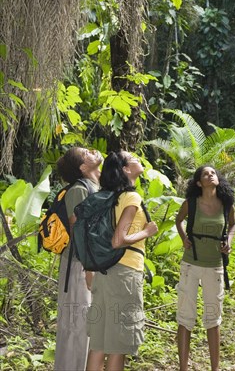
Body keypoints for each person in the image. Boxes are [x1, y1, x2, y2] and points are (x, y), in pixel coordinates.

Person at [86, 150, 158, 371]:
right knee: (118, 345)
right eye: (133, 158)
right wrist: (147, 232)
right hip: (124, 274)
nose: (138, 159)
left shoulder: (109, 197)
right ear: (126, 169)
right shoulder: (132, 197)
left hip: (104, 273)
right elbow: (119, 240)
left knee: (98, 344)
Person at [175, 165, 235, 371]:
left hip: (215, 266)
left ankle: (215, 368)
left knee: (213, 318)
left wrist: (230, 240)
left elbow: (232, 225)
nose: (211, 175)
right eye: (206, 174)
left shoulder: (226, 204)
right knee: (185, 317)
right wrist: (184, 238)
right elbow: (179, 220)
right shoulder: (191, 203)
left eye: (213, 173)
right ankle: (183, 367)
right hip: (191, 264)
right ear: (199, 183)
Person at [54, 147, 103, 371]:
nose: (93, 150)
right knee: (76, 326)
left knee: (88, 324)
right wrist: (89, 268)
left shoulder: (97, 188)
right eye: (86, 152)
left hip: (91, 265)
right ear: (83, 167)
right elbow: (79, 232)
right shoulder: (79, 190)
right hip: (79, 266)